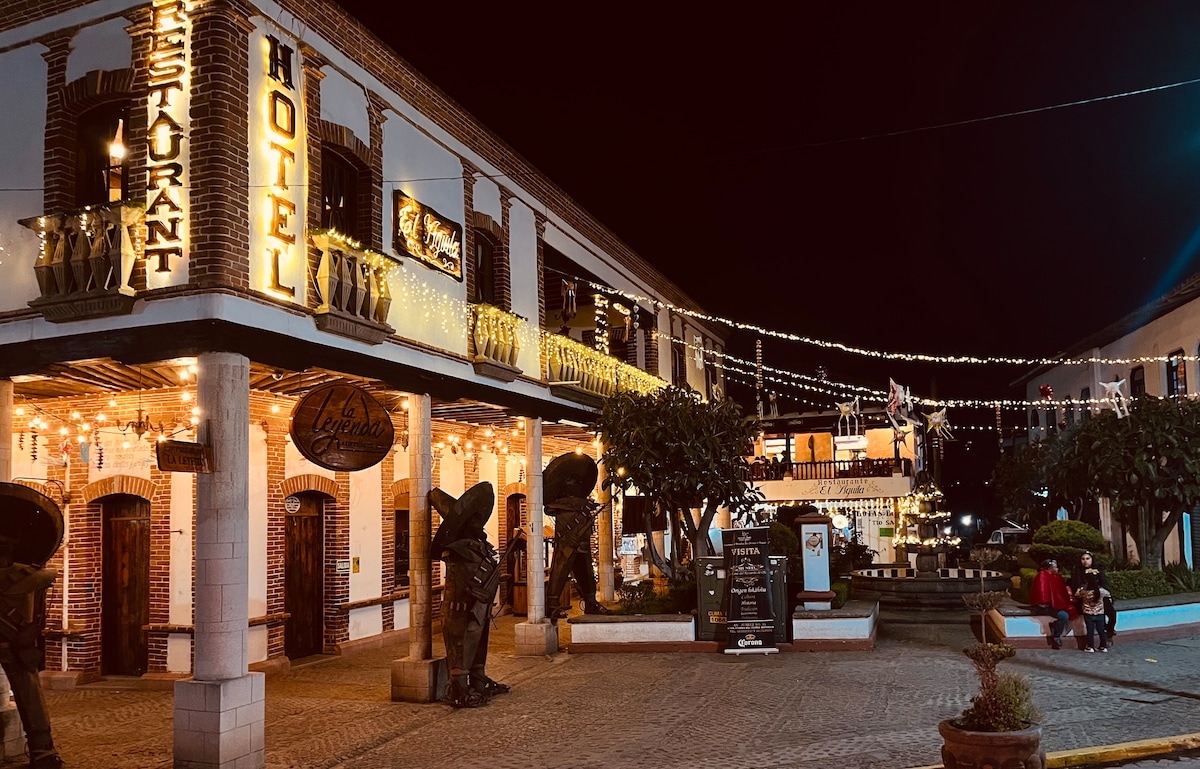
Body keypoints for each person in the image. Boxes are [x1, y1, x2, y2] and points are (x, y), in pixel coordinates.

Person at [430, 484, 510, 709]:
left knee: (478, 646)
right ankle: (459, 689)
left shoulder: (479, 547)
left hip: (479, 607)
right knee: (460, 648)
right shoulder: (458, 549)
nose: (479, 523)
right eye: (473, 520)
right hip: (462, 608)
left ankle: (478, 680)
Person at [0, 533, 64, 768]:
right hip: (17, 645)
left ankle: (43, 751)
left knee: (31, 697)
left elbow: (38, 611)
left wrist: (32, 630)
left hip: (17, 647)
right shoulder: (29, 575)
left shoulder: (30, 575)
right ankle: (43, 751)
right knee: (31, 696)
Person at [1029, 559, 1077, 648]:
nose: (1057, 569)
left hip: (1055, 605)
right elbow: (1042, 593)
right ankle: (1056, 636)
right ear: (1049, 568)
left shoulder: (1056, 577)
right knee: (1064, 616)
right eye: (1055, 567)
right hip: (1045, 607)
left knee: (1070, 612)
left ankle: (1055, 627)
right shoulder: (1042, 576)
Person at [1070, 550, 1116, 640]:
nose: (1085, 561)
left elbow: (1104, 584)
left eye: (1087, 558)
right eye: (1083, 559)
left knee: (1112, 613)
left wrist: (1101, 593)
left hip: (1100, 596)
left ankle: (1109, 630)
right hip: (1085, 599)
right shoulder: (1077, 572)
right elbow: (1076, 587)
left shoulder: (1098, 570)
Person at [1075, 570, 1110, 653]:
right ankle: (1103, 646)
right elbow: (1108, 594)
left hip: (1088, 614)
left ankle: (1090, 647)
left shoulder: (1084, 592)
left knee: (1090, 631)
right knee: (1101, 630)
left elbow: (1077, 594)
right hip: (1100, 613)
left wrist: (1081, 587)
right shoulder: (1101, 591)